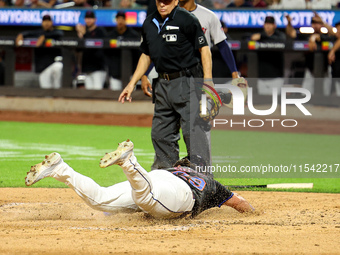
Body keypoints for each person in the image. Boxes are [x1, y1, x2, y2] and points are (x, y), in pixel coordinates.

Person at [25, 139, 254, 219]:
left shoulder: (175, 168)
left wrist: (115, 210)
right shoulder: (211, 184)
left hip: (157, 177)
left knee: (101, 200)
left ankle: (60, 169)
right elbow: (239, 203)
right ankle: (128, 161)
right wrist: (255, 214)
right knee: (148, 199)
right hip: (179, 196)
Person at [118, 0, 214, 171]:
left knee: (193, 133)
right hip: (162, 85)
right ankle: (167, 177)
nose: (163, 4)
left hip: (188, 81)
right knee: (160, 134)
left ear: (176, 1)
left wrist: (207, 81)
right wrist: (132, 83)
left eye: (167, 1)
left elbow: (204, 49)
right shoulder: (149, 23)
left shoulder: (187, 19)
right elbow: (146, 55)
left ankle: (203, 179)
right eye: (159, 1)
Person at [15, 14, 64, 89]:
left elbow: (60, 33)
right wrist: (20, 35)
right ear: (42, 22)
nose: (46, 23)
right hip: (43, 68)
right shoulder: (38, 33)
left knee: (58, 66)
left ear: (52, 22)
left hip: (53, 64)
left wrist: (44, 37)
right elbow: (27, 33)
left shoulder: (56, 32)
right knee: (46, 91)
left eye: (48, 21)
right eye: (44, 21)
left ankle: (58, 90)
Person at [250, 16, 286, 95]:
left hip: (276, 79)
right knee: (263, 104)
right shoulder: (259, 36)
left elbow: (282, 40)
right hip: (261, 79)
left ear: (274, 26)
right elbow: (249, 38)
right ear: (264, 25)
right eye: (266, 23)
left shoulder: (279, 35)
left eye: (270, 24)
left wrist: (263, 37)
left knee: (276, 104)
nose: (268, 26)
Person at [106, 11, 141, 91]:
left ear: (125, 20)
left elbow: (138, 54)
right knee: (115, 96)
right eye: (118, 19)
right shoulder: (110, 35)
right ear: (116, 20)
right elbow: (106, 54)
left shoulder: (133, 35)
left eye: (122, 19)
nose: (120, 21)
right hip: (115, 73)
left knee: (131, 97)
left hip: (131, 73)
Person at [75, 10, 107, 90]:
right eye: (87, 18)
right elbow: (78, 49)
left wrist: (84, 34)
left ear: (95, 19)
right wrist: (81, 37)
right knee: (89, 94)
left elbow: (94, 46)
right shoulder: (83, 31)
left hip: (98, 68)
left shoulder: (100, 31)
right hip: (86, 68)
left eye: (91, 18)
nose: (89, 20)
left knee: (97, 92)